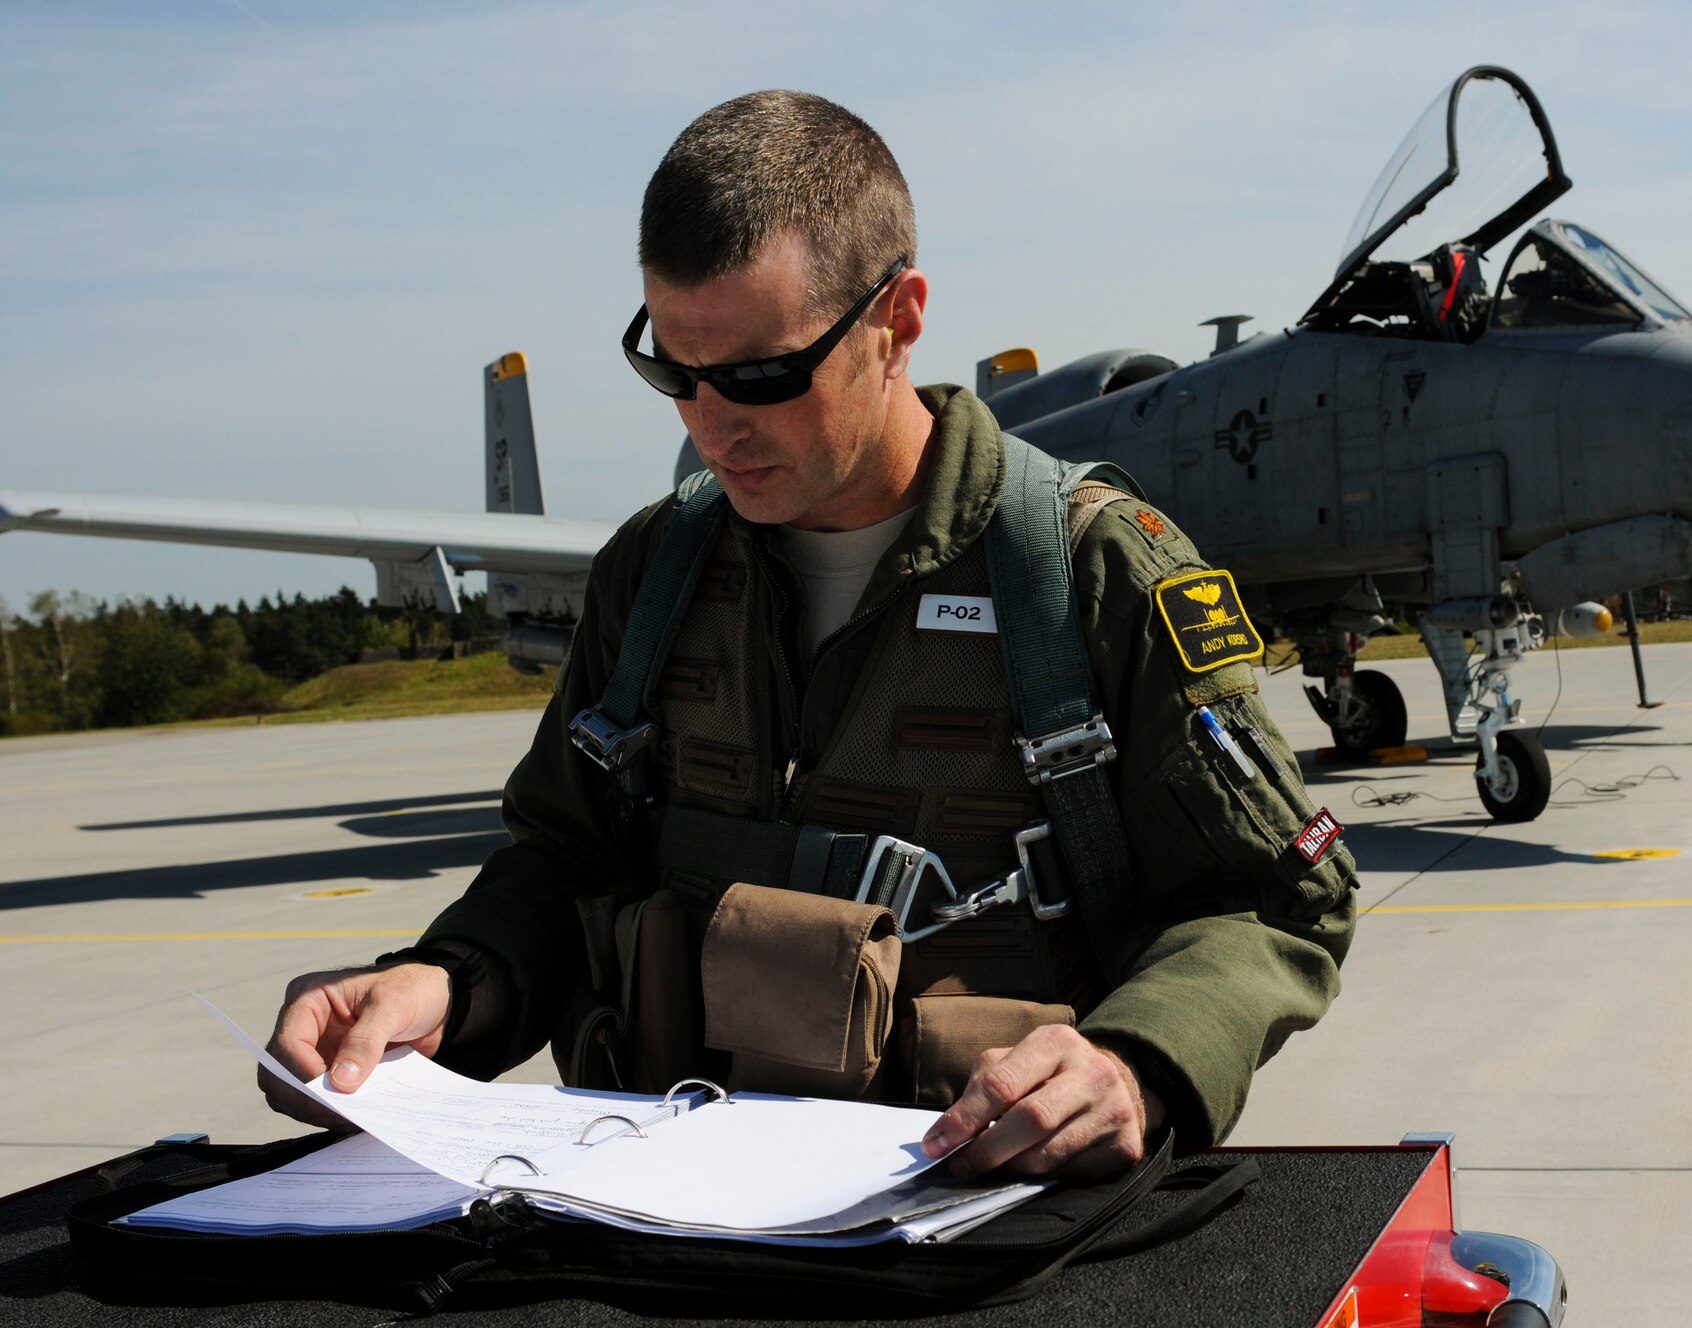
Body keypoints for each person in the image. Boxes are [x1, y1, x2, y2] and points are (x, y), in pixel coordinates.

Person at [264, 90, 1357, 1181]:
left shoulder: (1091, 570)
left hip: (983, 1227)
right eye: (674, 372)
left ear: (899, 318)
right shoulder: (653, 572)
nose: (710, 424)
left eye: (759, 375)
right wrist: (452, 979)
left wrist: (1134, 1061)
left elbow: (1276, 896)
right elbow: (568, 854)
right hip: (657, 1215)